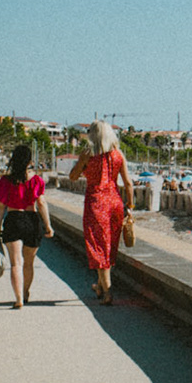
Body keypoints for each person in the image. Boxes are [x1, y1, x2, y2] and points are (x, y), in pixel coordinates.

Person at [69, 121, 133, 305]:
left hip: (96, 203)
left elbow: (73, 177)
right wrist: (130, 205)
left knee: (98, 246)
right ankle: (99, 285)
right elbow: (128, 183)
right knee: (109, 246)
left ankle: (107, 292)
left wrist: (81, 165)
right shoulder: (118, 154)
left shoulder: (88, 154)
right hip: (115, 203)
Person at [0, 144, 53, 308]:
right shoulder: (36, 180)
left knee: (15, 263)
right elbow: (41, 202)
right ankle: (25, 292)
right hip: (31, 220)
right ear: (30, 161)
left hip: (13, 219)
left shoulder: (6, 180)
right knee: (28, 263)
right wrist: (48, 226)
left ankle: (18, 298)